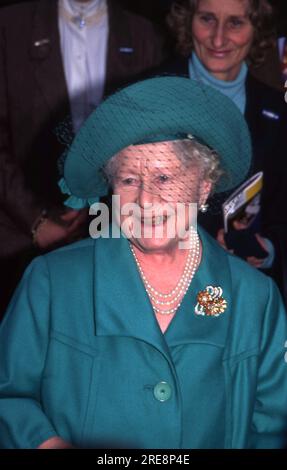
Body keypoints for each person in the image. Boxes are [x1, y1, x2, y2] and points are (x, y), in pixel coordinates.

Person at [0, 77, 286, 449]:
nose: (145, 201)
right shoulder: (52, 283)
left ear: (203, 187)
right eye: (130, 179)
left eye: (165, 177)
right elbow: (8, 396)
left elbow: (273, 426)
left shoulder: (255, 300)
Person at [0, 0, 166, 317]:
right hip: (21, 239)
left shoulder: (146, 36)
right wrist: (35, 219)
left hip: (116, 239)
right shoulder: (10, 26)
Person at [163, 0, 287, 302]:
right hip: (161, 294)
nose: (218, 39)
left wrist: (267, 249)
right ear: (188, 20)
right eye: (207, 19)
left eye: (235, 23)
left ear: (256, 29)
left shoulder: (278, 112)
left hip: (244, 297)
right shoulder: (148, 96)